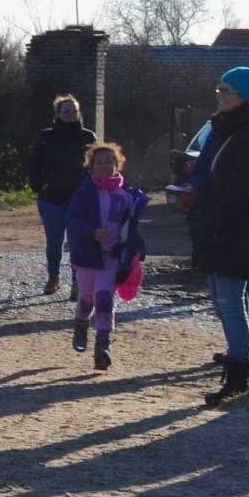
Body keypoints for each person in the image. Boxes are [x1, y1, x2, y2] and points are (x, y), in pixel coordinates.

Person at [188, 64, 249, 406]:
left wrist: (216, 207)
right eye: (219, 90)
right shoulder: (220, 129)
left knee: (231, 300)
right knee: (219, 299)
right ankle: (236, 359)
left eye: (226, 91)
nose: (220, 96)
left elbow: (242, 185)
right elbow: (205, 173)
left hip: (236, 226)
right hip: (213, 222)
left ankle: (240, 372)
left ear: (244, 96)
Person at [65, 142, 147, 371]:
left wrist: (136, 251)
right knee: (86, 300)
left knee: (104, 300)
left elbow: (132, 228)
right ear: (91, 167)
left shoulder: (127, 196)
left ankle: (102, 347)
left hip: (112, 258)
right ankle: (81, 323)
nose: (104, 166)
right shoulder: (85, 192)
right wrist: (91, 231)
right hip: (86, 257)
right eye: (99, 162)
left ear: (117, 164)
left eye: (109, 161)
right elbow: (72, 221)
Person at [25, 95, 98, 296]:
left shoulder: (88, 137)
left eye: (74, 111)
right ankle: (53, 276)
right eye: (66, 111)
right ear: (57, 114)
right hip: (51, 199)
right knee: (54, 242)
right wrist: (40, 185)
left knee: (77, 242)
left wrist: (92, 189)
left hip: (79, 199)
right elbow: (33, 163)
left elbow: (96, 164)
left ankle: (77, 281)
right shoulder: (46, 137)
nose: (71, 114)